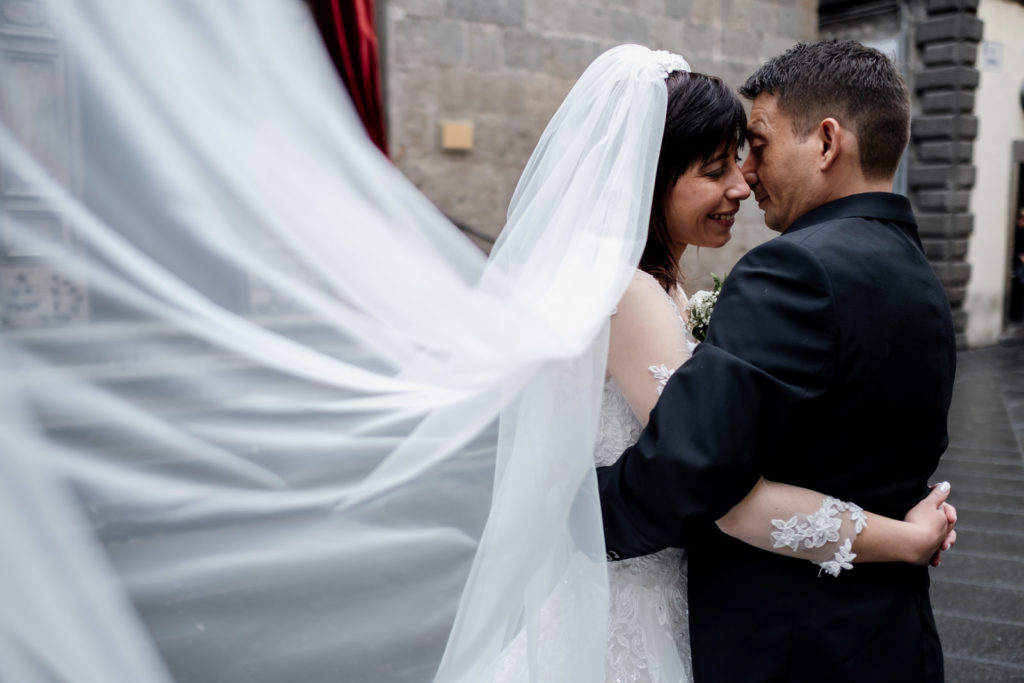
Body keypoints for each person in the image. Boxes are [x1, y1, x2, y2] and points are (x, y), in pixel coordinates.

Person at [488, 45, 956, 683]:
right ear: (651, 180)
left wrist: (574, 514)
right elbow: (715, 476)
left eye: (751, 152)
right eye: (718, 168)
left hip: (786, 633)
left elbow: (698, 473)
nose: (744, 181)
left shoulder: (782, 270)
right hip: (870, 631)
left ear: (826, 143)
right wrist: (905, 538)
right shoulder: (919, 274)